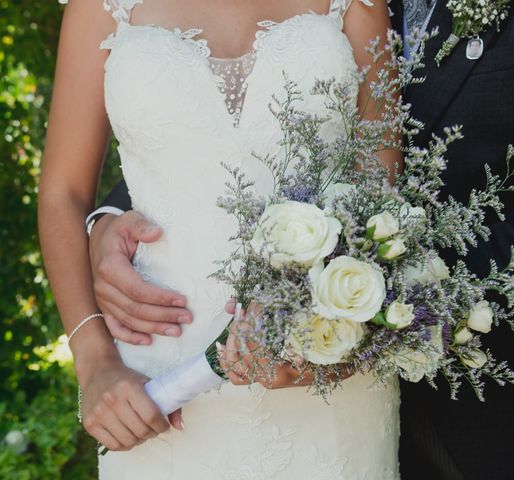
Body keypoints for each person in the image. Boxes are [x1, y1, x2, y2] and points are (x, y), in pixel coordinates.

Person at [85, 0, 514, 478]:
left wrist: (374, 309)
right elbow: (217, 105)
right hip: (237, 373)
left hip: (479, 408)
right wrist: (106, 218)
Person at [38, 0, 405, 478]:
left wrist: (339, 352)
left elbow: (384, 205)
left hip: (326, 381)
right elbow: (62, 194)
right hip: (158, 388)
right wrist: (93, 360)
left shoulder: (359, 4)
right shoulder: (100, 6)